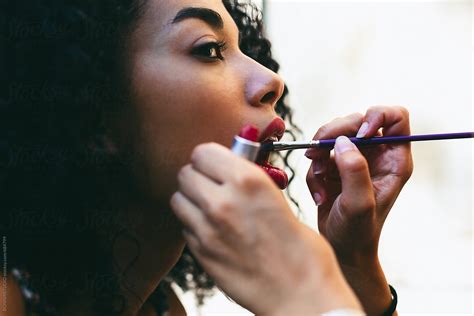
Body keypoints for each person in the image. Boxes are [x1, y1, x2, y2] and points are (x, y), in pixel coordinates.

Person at [0, 0, 413, 315]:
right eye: (210, 50)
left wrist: (353, 268)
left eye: (242, 47)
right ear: (90, 105)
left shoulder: (161, 307)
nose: (272, 81)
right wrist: (305, 294)